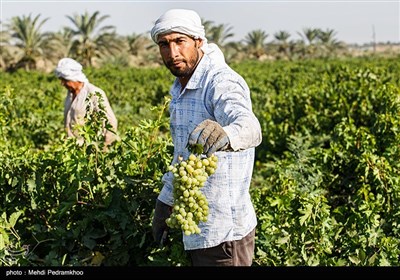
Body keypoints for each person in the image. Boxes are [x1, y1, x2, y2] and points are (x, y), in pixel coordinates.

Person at [150, 9, 262, 266]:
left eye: (180, 41)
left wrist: (227, 133)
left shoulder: (220, 81)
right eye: (164, 45)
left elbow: (250, 127)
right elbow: (183, 158)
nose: (173, 53)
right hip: (196, 230)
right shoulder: (180, 88)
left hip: (223, 235)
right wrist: (165, 202)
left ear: (198, 42)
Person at [54, 58, 118, 146]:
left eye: (65, 80)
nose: (62, 84)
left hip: (90, 146)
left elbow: (110, 121)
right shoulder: (70, 94)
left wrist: (105, 145)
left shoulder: (94, 93)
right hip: (73, 146)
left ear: (74, 78)